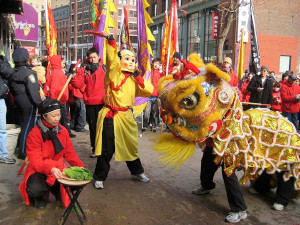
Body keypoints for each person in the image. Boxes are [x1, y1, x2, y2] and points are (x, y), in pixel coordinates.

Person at [93, 34, 153, 189]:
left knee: (131, 145)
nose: (131, 62)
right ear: (119, 60)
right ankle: (99, 177)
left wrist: (139, 78)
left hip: (126, 116)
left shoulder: (134, 79)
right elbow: (111, 60)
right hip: (110, 115)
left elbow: (149, 91)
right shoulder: (113, 73)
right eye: (127, 59)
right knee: (107, 148)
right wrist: (112, 43)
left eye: (133, 60)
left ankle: (137, 171)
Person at [19, 98, 86, 210]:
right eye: (53, 116)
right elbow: (36, 161)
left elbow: (70, 153)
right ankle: (40, 197)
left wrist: (82, 167)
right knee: (34, 189)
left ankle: (56, 191)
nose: (57, 119)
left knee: (76, 183)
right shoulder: (34, 134)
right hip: (39, 169)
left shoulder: (63, 131)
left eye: (59, 115)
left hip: (58, 169)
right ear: (44, 116)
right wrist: (51, 168)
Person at [193, 142, 247, 223]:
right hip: (213, 142)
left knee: (228, 172)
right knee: (207, 162)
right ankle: (207, 187)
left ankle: (240, 209)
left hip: (230, 142)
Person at [71, 47, 106, 157]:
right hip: (90, 103)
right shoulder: (85, 70)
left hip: (103, 102)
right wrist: (75, 75)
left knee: (104, 127)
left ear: (98, 57)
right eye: (90, 58)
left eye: (94, 57)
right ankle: (95, 149)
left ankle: (104, 149)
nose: (92, 60)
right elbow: (77, 84)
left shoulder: (104, 68)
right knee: (93, 127)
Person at [9, 48, 43, 159]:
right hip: (28, 101)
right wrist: (39, 103)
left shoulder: (12, 72)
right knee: (27, 127)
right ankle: (23, 151)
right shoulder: (29, 73)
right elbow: (33, 90)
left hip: (17, 100)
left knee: (22, 124)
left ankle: (20, 146)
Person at [45, 55, 75, 138]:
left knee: (62, 117)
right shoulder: (56, 72)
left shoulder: (54, 71)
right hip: (59, 99)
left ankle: (65, 131)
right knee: (61, 117)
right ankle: (64, 132)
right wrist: (54, 99)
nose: (64, 64)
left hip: (60, 98)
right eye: (62, 63)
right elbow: (54, 87)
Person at [0, 54, 16, 164]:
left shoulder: (1, 59)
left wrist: (1, 63)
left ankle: (3, 154)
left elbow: (9, 73)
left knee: (1, 129)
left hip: (0, 98)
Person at [142, 58, 163, 132]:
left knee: (155, 112)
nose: (156, 65)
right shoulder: (149, 71)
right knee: (147, 112)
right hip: (148, 95)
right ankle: (145, 125)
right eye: (155, 63)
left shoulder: (160, 73)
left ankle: (154, 125)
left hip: (156, 96)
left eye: (158, 64)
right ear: (152, 63)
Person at [68, 64, 87, 132]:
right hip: (79, 96)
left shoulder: (75, 74)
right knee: (81, 111)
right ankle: (80, 126)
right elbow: (81, 86)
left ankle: (74, 125)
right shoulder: (79, 74)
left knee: (76, 112)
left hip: (75, 96)